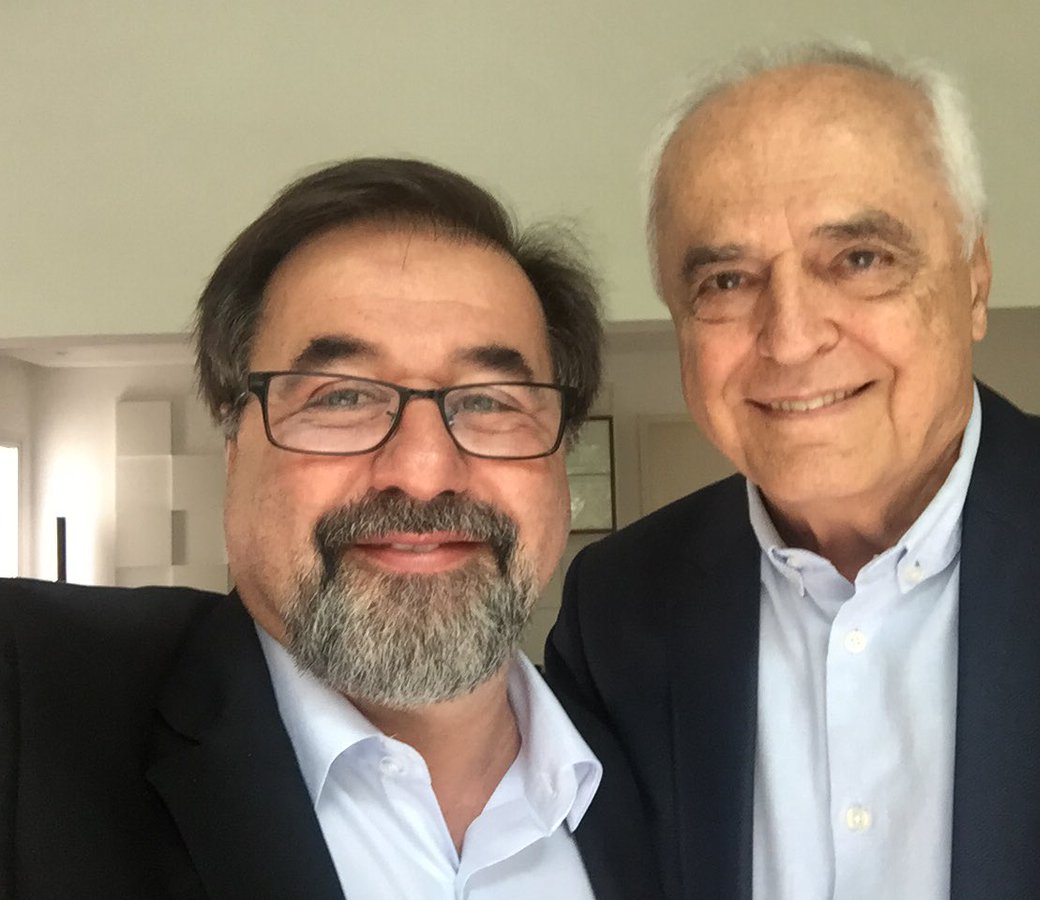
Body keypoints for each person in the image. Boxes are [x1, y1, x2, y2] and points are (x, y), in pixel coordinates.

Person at [545, 43, 1040, 900]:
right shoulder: (617, 613)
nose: (791, 338)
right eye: (727, 280)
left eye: (860, 259)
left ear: (974, 281)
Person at [0, 158, 661, 899]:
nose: (423, 471)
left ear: (560, 455)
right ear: (235, 449)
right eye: (341, 397)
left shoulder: (662, 781)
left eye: (489, 401)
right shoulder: (33, 699)